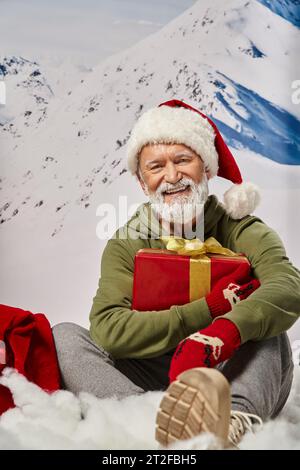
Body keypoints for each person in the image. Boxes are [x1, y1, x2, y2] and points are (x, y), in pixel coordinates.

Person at [52, 99, 299, 449]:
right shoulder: (128, 242)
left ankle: (231, 426)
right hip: (149, 374)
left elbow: (288, 286)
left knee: (268, 328)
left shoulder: (242, 228)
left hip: (227, 374)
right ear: (142, 182)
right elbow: (108, 329)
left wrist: (221, 333)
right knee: (64, 336)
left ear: (207, 170)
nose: (172, 176)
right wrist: (207, 310)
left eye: (183, 160)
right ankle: (150, 418)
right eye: (156, 166)